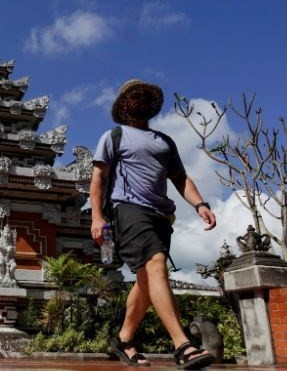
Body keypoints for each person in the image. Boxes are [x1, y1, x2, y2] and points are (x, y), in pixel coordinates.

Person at [89, 79, 217, 369]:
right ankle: (182, 345)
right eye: (134, 97)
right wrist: (97, 217)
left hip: (162, 216)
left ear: (151, 106)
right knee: (156, 263)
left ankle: (124, 338)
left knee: (146, 280)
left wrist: (200, 204)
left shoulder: (164, 142)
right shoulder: (114, 137)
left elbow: (181, 179)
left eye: (145, 97)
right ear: (124, 105)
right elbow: (98, 178)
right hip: (128, 210)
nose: (140, 101)